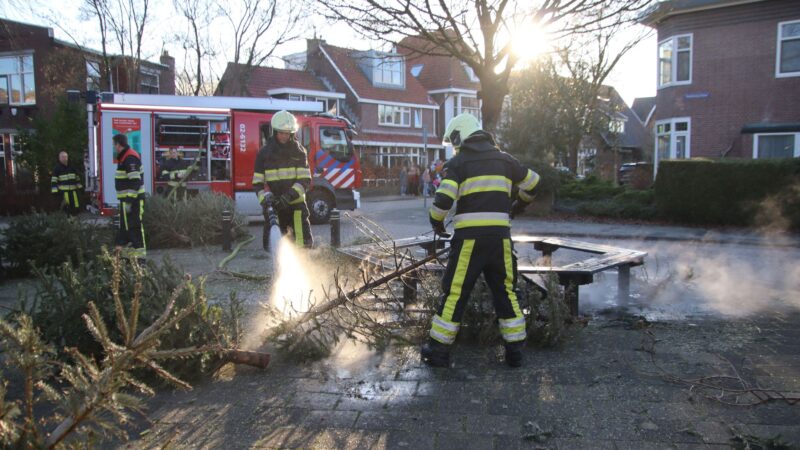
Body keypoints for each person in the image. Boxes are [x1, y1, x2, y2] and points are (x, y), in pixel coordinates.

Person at [421, 113, 540, 368]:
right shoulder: (506, 161)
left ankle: (438, 352)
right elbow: (534, 182)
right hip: (500, 241)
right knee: (505, 292)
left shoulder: (459, 163)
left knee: (455, 293)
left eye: (454, 139)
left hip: (469, 243)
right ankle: (515, 352)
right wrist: (519, 205)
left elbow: (443, 200)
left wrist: (436, 222)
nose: (454, 144)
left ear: (462, 134)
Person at [252, 110, 313, 251]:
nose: (284, 136)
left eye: (287, 133)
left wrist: (288, 196)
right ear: (275, 132)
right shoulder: (264, 154)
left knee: (303, 246)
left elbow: (304, 180)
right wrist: (266, 200)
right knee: (274, 248)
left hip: (296, 208)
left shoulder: (299, 152)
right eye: (281, 132)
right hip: (275, 208)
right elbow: (257, 183)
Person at [113, 134, 146, 261]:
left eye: (114, 144)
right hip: (129, 201)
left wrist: (129, 201)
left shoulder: (130, 158)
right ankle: (130, 258)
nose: (114, 147)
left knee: (135, 228)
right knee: (127, 228)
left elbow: (135, 182)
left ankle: (140, 260)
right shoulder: (125, 157)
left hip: (134, 202)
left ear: (118, 144)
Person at [51, 150, 82, 215]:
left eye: (65, 157)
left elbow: (77, 178)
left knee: (75, 207)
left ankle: (74, 222)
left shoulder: (72, 167)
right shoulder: (57, 168)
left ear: (67, 157)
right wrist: (55, 192)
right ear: (59, 158)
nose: (64, 158)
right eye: (62, 157)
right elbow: (54, 181)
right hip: (64, 193)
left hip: (73, 192)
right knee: (66, 208)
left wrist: (80, 188)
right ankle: (68, 223)